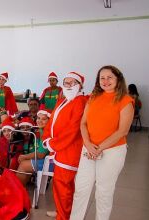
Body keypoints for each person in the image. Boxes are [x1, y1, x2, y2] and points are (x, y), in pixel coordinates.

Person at [71, 65, 134, 220]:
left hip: (111, 151)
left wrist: (98, 148)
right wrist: (87, 143)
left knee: (103, 192)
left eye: (109, 77)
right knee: (81, 189)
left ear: (118, 79)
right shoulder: (93, 97)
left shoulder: (126, 100)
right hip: (89, 148)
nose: (105, 81)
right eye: (102, 78)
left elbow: (122, 131)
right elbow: (83, 123)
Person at [42, 71, 88, 220]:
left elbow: (73, 131)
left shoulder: (80, 102)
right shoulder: (63, 100)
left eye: (72, 83)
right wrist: (46, 139)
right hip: (58, 150)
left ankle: (63, 216)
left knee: (64, 188)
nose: (68, 86)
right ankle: (62, 211)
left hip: (69, 151)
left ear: (80, 85)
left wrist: (53, 144)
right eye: (66, 83)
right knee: (61, 186)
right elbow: (50, 122)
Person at [16, 109, 51, 185]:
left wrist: (25, 156)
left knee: (23, 165)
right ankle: (22, 188)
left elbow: (40, 154)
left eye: (44, 119)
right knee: (25, 162)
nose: (40, 121)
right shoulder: (42, 130)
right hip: (48, 159)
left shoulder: (47, 132)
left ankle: (16, 191)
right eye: (38, 118)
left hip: (51, 162)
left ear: (50, 120)